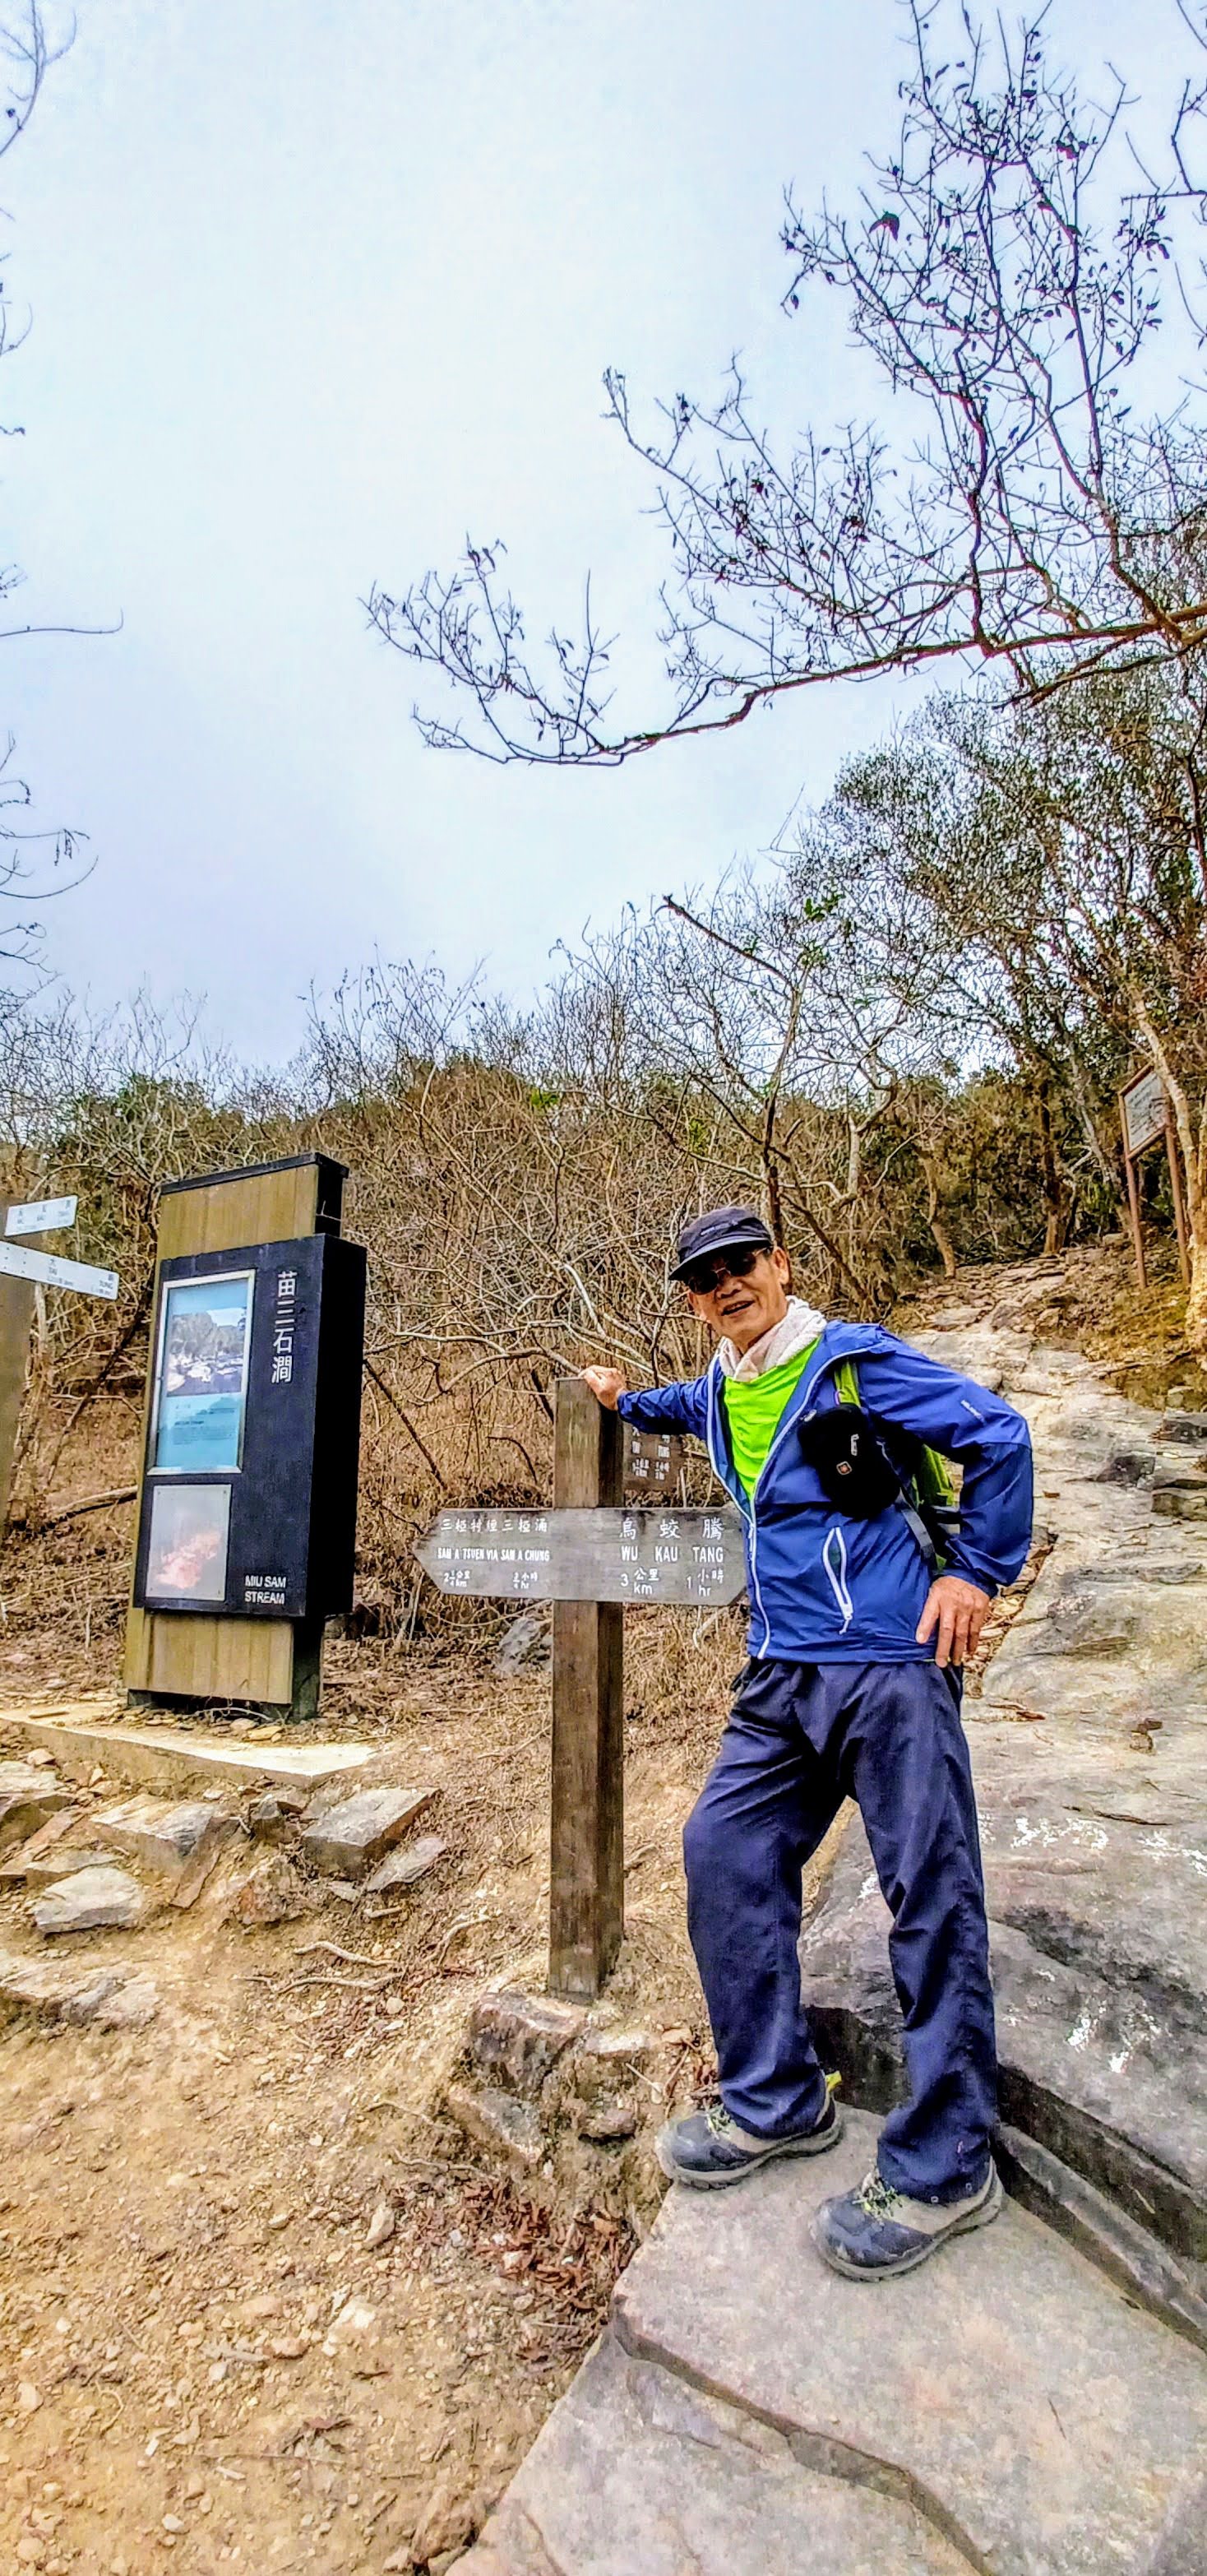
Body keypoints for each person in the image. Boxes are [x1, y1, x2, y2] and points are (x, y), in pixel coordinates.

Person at [581, 1205, 1033, 2281]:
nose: (726, 1285)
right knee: (722, 1850)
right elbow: (676, 1406)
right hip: (781, 1674)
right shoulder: (723, 1386)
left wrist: (974, 1572)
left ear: (780, 1265)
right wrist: (618, 1400)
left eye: (741, 1264)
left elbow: (999, 1436)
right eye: (704, 1279)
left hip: (887, 1666)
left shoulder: (854, 1366)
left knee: (930, 1896)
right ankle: (776, 2099)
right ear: (695, 1302)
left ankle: (948, 2165)